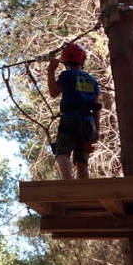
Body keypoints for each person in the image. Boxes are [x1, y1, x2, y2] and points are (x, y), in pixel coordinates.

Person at [47, 43, 101, 180]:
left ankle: (68, 183)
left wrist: (51, 71)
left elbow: (53, 92)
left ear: (65, 61)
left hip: (70, 119)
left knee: (62, 153)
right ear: (82, 60)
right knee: (81, 160)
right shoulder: (92, 80)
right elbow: (96, 106)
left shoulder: (67, 75)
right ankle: (84, 191)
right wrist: (96, 129)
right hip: (88, 122)